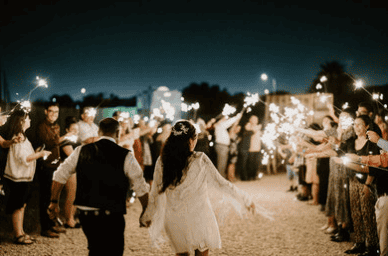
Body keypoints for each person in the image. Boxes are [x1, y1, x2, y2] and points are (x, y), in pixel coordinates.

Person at [140, 120, 256, 256]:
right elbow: (222, 183)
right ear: (191, 140)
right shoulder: (200, 159)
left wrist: (147, 215)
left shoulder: (162, 161)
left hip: (174, 221)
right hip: (199, 218)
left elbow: (155, 192)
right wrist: (245, 199)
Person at [48, 118, 150, 256]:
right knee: (114, 251)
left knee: (95, 250)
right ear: (118, 132)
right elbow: (140, 186)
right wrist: (146, 210)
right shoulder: (125, 156)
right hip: (113, 215)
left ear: (99, 131)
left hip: (87, 215)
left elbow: (59, 175)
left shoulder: (81, 151)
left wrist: (54, 202)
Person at [2, 110, 51, 244]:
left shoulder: (22, 136)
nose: (30, 121)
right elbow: (23, 158)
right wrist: (40, 155)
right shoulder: (18, 136)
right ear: (22, 121)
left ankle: (21, 232)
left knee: (22, 205)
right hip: (17, 178)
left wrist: (35, 152)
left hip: (23, 177)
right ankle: (18, 234)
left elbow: (25, 155)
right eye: (28, 118)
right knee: (18, 206)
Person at [338, 115, 380, 255]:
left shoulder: (371, 143)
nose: (356, 127)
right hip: (352, 180)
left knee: (367, 213)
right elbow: (341, 152)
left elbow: (374, 165)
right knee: (355, 212)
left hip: (366, 182)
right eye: (354, 124)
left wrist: (368, 184)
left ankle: (372, 246)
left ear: (367, 126)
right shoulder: (351, 142)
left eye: (360, 124)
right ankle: (359, 242)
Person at [36, 102, 65, 238]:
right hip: (46, 166)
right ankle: (45, 228)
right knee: (46, 198)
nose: (54, 114)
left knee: (54, 197)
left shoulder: (56, 126)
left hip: (55, 166)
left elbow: (56, 144)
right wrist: (64, 138)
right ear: (45, 111)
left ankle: (52, 224)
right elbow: (48, 142)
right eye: (51, 111)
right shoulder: (42, 126)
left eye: (56, 112)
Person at [59, 116, 80, 228]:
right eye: (73, 130)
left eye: (77, 130)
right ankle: (68, 219)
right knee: (71, 195)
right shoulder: (66, 142)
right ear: (67, 130)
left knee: (75, 195)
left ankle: (71, 217)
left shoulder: (75, 140)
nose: (76, 132)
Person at [214, 113, 242, 178]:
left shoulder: (221, 127)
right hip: (222, 147)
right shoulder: (220, 125)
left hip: (223, 147)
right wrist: (236, 117)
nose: (225, 119)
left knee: (223, 164)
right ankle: (220, 179)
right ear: (220, 120)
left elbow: (230, 124)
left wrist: (237, 119)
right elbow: (229, 123)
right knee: (221, 164)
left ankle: (221, 178)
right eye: (224, 118)